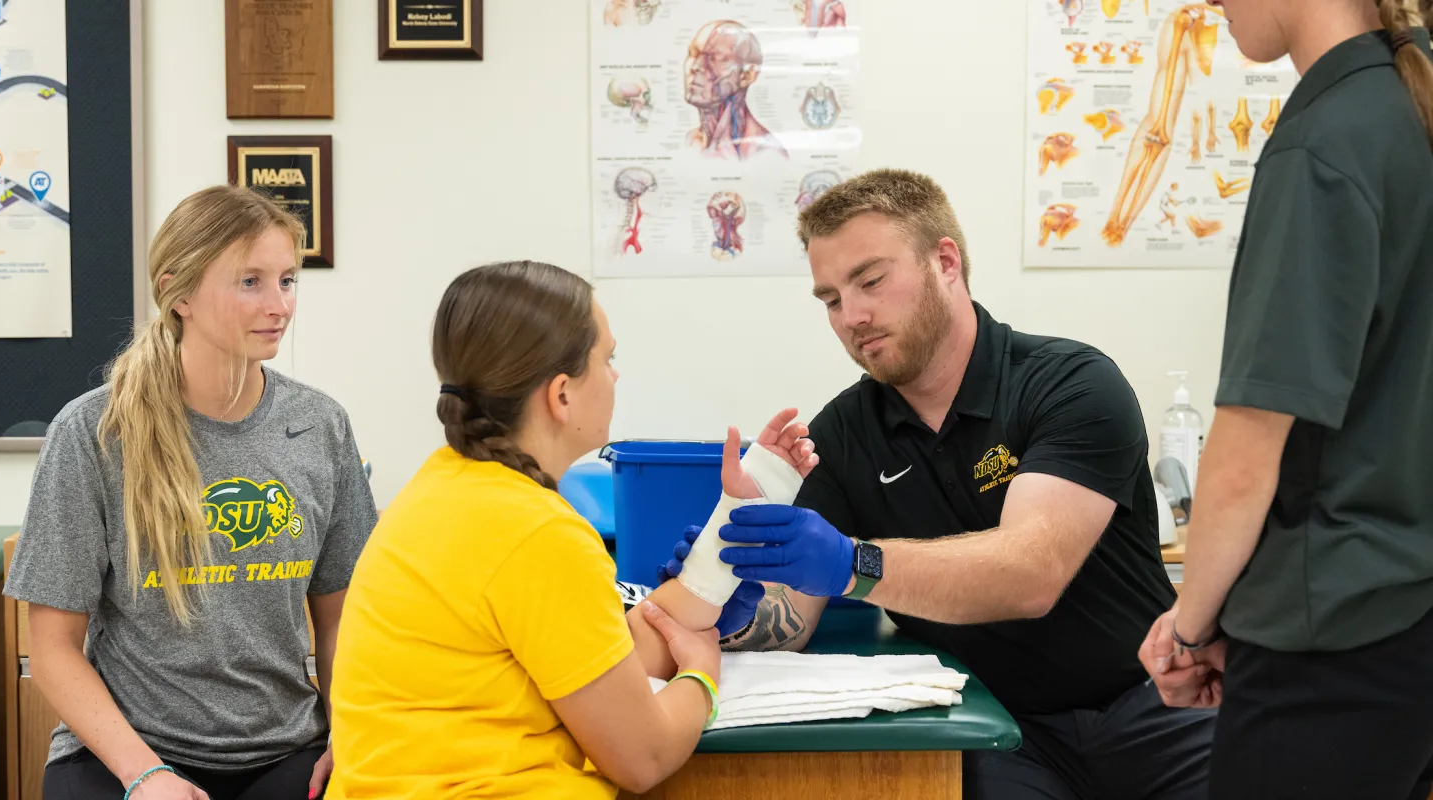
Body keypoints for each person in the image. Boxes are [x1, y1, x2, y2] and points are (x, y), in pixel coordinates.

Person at [661, 168, 1215, 799]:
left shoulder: (1070, 383)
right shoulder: (844, 434)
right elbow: (790, 619)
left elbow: (1032, 572)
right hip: (998, 728)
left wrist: (853, 563)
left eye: (870, 281)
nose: (852, 316)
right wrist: (728, 599)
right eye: (831, 299)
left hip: (1153, 706)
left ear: (945, 261)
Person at [325, 260, 815, 798]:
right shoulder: (536, 532)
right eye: (608, 358)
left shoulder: (443, 488)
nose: (616, 375)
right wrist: (701, 676)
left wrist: (727, 539)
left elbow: (600, 659)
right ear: (561, 395)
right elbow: (644, 755)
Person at [1137, 2, 1433, 798]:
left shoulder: (1323, 145)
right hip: (1403, 626)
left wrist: (1189, 627)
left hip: (1330, 642)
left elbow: (1241, 459)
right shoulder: (1405, 109)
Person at [3, 185, 377, 800]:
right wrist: (144, 774)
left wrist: (352, 733)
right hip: (125, 748)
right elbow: (52, 649)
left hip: (283, 748)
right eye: (250, 282)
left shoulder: (319, 426)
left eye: (287, 280)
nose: (278, 304)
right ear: (180, 293)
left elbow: (342, 623)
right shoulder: (93, 431)